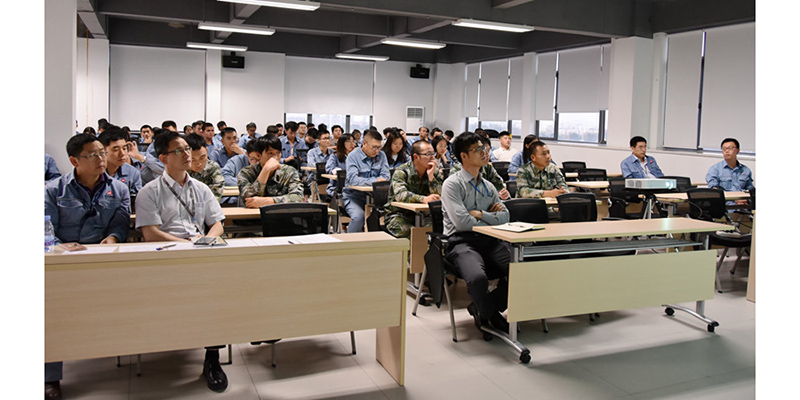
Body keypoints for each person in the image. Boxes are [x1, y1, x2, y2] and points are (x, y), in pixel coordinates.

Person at [134, 130, 229, 393]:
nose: (187, 154)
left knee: (219, 296)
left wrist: (206, 241)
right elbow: (151, 233)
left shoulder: (201, 188)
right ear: (163, 157)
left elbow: (217, 224)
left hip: (200, 254)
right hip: (167, 257)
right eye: (179, 150)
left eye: (187, 148)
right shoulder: (149, 192)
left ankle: (212, 358)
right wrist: (187, 245)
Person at [44, 134, 131, 399]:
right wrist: (60, 247)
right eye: (92, 155)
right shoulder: (53, 190)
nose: (101, 159)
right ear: (74, 161)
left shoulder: (119, 189)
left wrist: (113, 238)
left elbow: (120, 224)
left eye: (102, 153)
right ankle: (50, 377)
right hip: (63, 261)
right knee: (50, 314)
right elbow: (45, 229)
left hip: (103, 259)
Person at [441, 131, 511, 334]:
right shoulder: (452, 185)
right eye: (478, 149)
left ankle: (484, 309)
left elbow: (505, 217)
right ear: (464, 156)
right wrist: (490, 218)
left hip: (490, 240)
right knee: (478, 278)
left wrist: (480, 214)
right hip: (461, 242)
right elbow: (462, 223)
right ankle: (490, 313)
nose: (484, 152)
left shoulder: (488, 186)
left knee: (522, 270)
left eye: (484, 148)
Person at [383, 141, 443, 238]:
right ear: (416, 157)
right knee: (412, 233)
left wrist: (431, 178)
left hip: (426, 215)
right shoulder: (402, 171)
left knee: (437, 231)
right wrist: (423, 199)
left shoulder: (433, 170)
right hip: (400, 214)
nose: (433, 157)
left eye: (433, 154)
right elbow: (401, 195)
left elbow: (441, 195)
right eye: (428, 154)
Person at [238, 134, 304, 207]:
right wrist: (266, 170)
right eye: (270, 153)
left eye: (278, 153)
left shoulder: (289, 171)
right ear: (258, 155)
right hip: (253, 214)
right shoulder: (246, 173)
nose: (275, 157)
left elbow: (298, 198)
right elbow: (248, 200)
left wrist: (269, 201)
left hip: (281, 213)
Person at [343, 129, 390, 232]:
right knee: (359, 217)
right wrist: (376, 181)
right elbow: (353, 180)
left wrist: (376, 181)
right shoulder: (353, 156)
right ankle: (351, 241)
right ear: (364, 143)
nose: (377, 151)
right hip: (354, 197)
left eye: (379, 147)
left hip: (377, 198)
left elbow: (386, 176)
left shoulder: (382, 155)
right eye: (374, 147)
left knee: (392, 216)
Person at [451, 135, 510, 200]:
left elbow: (500, 189)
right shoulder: (456, 173)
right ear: (464, 156)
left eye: (487, 151)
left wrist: (503, 194)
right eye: (479, 150)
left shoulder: (488, 168)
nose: (485, 154)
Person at [706, 137, 754, 205]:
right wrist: (734, 199)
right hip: (725, 204)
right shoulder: (715, 169)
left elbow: (750, 190)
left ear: (737, 151)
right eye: (724, 149)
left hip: (743, 205)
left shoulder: (745, 170)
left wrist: (746, 200)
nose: (727, 151)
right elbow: (713, 189)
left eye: (730, 148)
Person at [98, 127, 142, 195]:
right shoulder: (94, 172)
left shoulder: (133, 173)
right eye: (116, 150)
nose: (122, 153)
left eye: (124, 148)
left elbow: (136, 199)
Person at [185, 133, 225, 202]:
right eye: (192, 159)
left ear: (206, 150)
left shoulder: (212, 167)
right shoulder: (179, 170)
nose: (199, 164)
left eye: (202, 157)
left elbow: (216, 193)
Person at [325, 133, 356, 199]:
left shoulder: (356, 157)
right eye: (348, 141)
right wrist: (338, 171)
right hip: (338, 187)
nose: (352, 144)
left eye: (353, 141)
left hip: (354, 187)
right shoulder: (334, 156)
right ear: (342, 143)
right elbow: (329, 168)